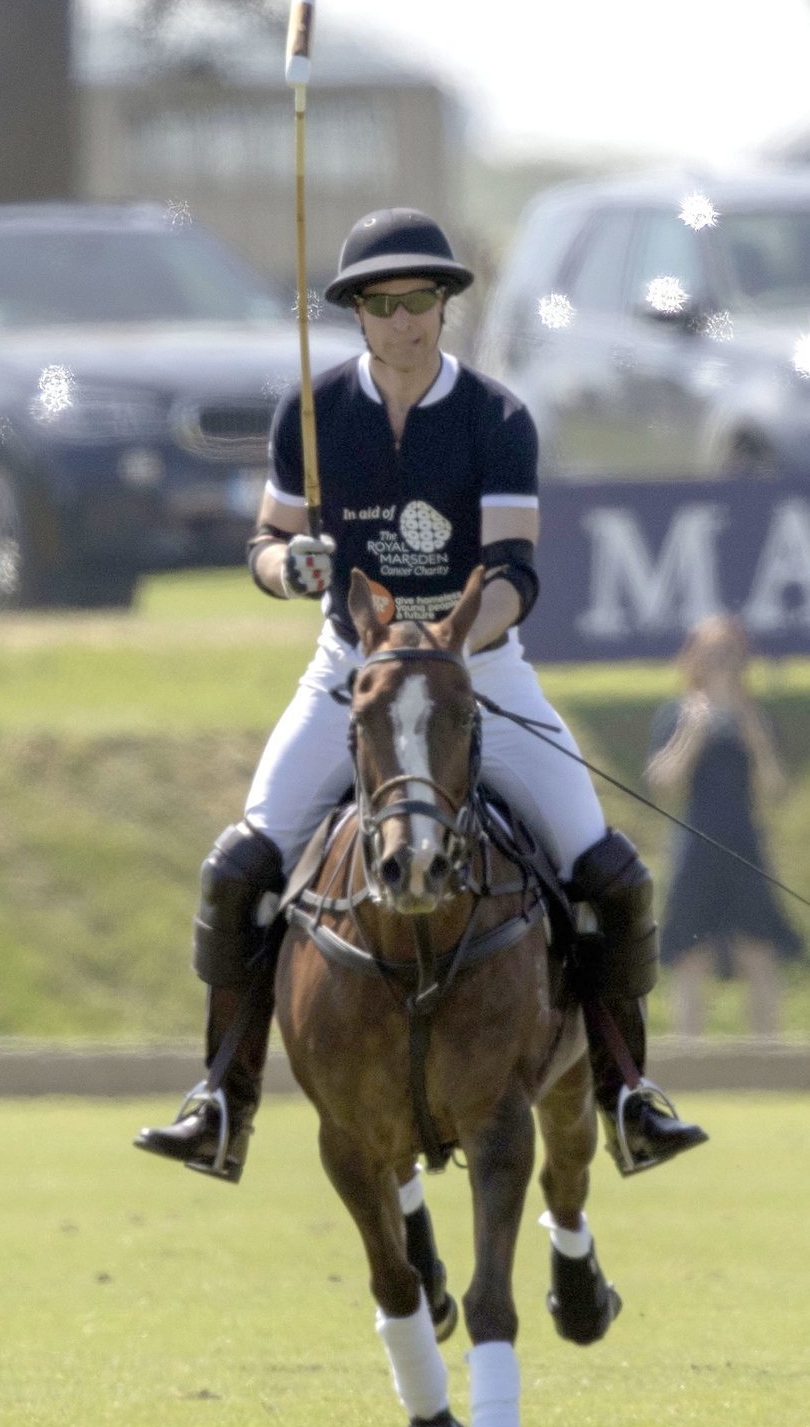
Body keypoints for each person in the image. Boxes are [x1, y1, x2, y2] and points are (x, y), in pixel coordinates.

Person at [135, 207, 707, 1183]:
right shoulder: (309, 415)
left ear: (443, 307)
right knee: (239, 866)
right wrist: (293, 568)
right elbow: (264, 546)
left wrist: (440, 647)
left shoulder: (495, 417)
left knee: (606, 869)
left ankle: (623, 1090)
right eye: (384, 304)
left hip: (477, 673)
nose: (405, 322)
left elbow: (514, 572)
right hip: (347, 678)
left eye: (421, 302)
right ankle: (220, 1100)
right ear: (356, 315)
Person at [645, 614, 801, 1037]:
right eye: (712, 653)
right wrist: (692, 732)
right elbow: (663, 782)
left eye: (730, 653)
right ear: (694, 658)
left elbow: (773, 787)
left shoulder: (754, 716)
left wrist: (754, 735)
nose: (721, 663)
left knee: (759, 952)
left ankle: (767, 1066)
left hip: (744, 842)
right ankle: (690, 1066)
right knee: (690, 955)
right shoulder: (676, 713)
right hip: (695, 843)